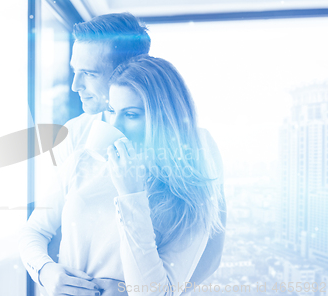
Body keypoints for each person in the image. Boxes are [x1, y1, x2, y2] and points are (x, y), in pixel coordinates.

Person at [20, 13, 226, 296]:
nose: (75, 85)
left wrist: (136, 290)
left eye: (89, 73)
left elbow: (208, 253)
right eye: (74, 71)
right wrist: (47, 272)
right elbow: (52, 233)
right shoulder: (77, 140)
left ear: (127, 69)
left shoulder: (196, 147)